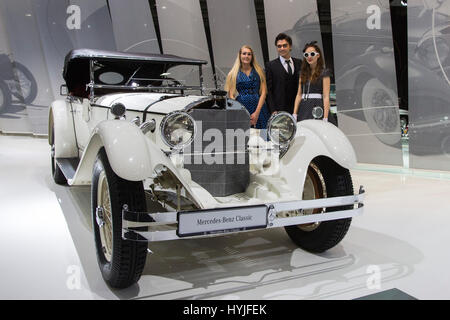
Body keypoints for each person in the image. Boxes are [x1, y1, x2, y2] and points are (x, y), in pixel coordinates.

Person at [225, 45, 269, 129]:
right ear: (240, 55)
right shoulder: (233, 73)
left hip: (259, 107)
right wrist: (241, 113)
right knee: (243, 136)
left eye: (249, 54)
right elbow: (231, 96)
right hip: (241, 108)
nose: (246, 56)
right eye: (244, 53)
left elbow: (263, 93)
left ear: (252, 56)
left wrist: (257, 113)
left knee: (263, 137)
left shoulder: (259, 71)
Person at [293, 41, 331, 122]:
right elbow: (299, 95)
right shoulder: (302, 73)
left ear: (318, 55)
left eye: (312, 54)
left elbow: (326, 96)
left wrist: (325, 117)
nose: (309, 57)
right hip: (303, 108)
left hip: (317, 107)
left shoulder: (324, 73)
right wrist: (294, 114)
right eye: (306, 55)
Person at [265, 33, 302, 114]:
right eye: (279, 46)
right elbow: (269, 90)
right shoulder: (271, 66)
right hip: (279, 110)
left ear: (290, 46)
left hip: (299, 108)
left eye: (285, 45)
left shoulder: (299, 63)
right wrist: (273, 110)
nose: (282, 48)